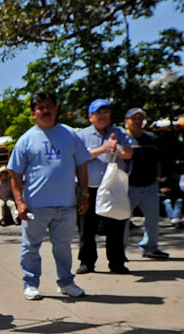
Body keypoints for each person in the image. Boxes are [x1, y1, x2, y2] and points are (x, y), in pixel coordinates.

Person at [8, 91, 90, 300]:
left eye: (49, 106)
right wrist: (19, 203)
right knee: (30, 247)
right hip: (36, 206)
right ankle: (31, 284)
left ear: (56, 109)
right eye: (40, 107)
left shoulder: (70, 134)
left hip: (67, 203)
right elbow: (14, 174)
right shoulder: (26, 140)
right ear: (34, 113)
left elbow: (81, 166)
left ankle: (66, 283)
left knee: (63, 247)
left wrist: (85, 194)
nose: (45, 110)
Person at [76, 99, 133, 274]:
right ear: (90, 116)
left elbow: (129, 153)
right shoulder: (82, 135)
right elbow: (80, 157)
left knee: (115, 226)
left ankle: (116, 262)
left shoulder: (119, 132)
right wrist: (104, 148)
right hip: (89, 188)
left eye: (105, 112)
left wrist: (117, 148)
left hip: (113, 189)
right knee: (87, 228)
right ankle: (87, 262)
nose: (102, 116)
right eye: (98, 113)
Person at [124, 107, 169, 259]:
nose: (137, 121)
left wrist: (158, 178)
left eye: (140, 118)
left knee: (152, 218)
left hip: (150, 185)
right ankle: (119, 250)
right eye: (134, 118)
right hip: (129, 186)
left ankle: (150, 247)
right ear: (127, 121)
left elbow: (158, 161)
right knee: (123, 220)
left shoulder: (152, 138)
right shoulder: (123, 139)